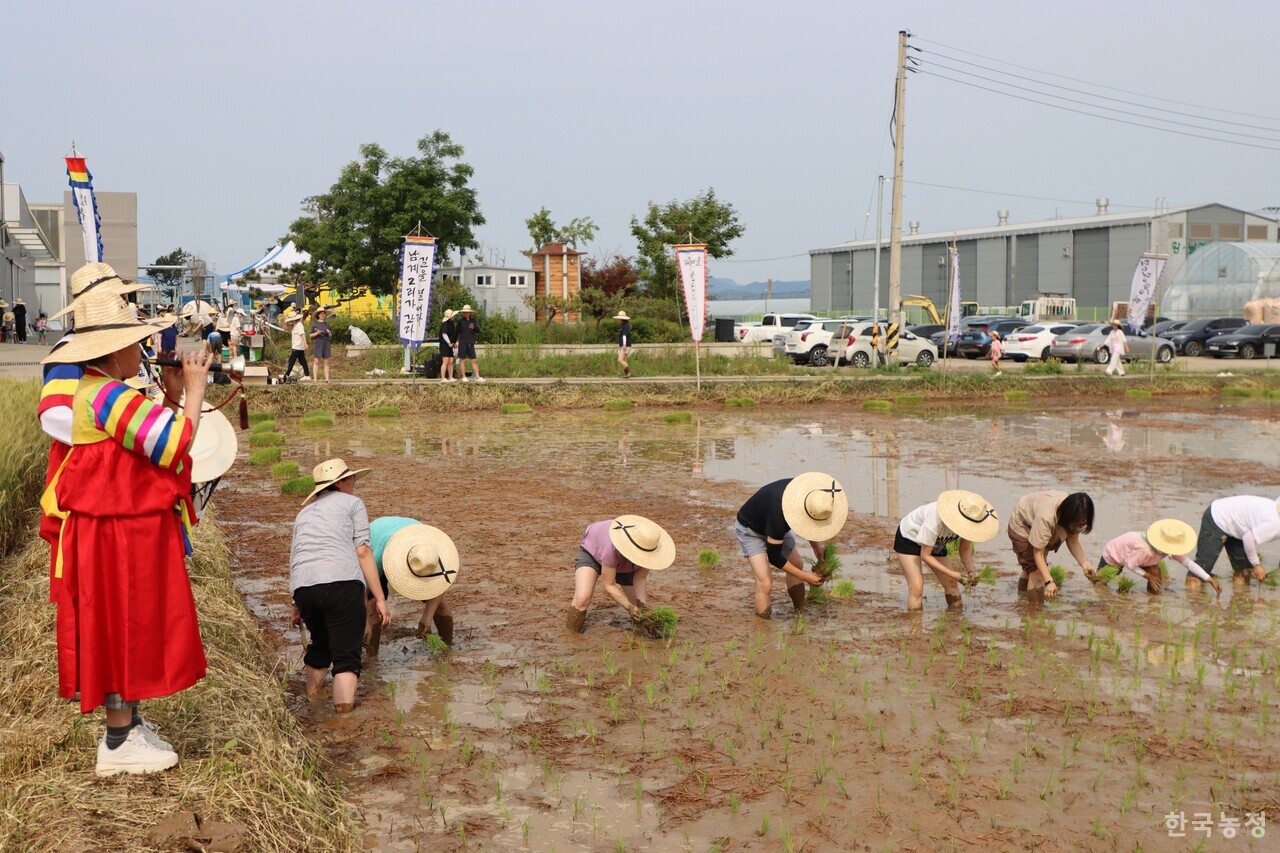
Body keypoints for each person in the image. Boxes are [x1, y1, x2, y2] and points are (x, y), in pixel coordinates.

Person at [40, 294, 212, 777]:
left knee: (126, 620)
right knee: (122, 622)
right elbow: (173, 444)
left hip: (110, 530)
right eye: (135, 342)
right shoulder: (109, 395)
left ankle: (128, 725)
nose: (142, 349)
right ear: (114, 352)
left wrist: (174, 396)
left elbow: (145, 445)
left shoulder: (100, 390)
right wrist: (196, 390)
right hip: (112, 537)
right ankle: (117, 741)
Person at [289, 459, 390, 713]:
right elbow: (363, 552)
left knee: (320, 646)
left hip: (304, 588)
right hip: (342, 583)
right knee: (346, 657)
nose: (353, 484)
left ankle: (313, 706)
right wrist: (379, 598)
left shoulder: (304, 514)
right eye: (350, 479)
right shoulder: (353, 504)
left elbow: (297, 556)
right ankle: (344, 723)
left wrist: (296, 604)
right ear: (338, 483)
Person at [735, 473, 848, 618]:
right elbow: (775, 557)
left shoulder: (812, 497)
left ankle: (800, 613)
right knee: (765, 583)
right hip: (751, 530)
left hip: (773, 524)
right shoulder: (779, 514)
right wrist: (806, 577)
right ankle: (762, 631)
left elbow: (810, 520)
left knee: (796, 564)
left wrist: (816, 546)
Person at [567, 515, 675, 634]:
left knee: (639, 608)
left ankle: (643, 637)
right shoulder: (611, 548)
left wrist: (641, 605)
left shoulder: (647, 547)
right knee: (582, 598)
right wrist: (628, 607)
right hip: (593, 551)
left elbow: (640, 578)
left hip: (624, 562)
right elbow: (609, 585)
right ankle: (571, 636)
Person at [894, 490, 999, 611]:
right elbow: (925, 555)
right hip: (909, 538)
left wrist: (971, 572)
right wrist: (953, 573)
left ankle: (955, 624)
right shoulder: (935, 522)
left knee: (952, 584)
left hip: (937, 542)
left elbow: (964, 549)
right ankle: (916, 627)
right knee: (917, 588)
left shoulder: (970, 521)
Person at [369, 517, 459, 650]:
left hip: (416, 539)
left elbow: (441, 585)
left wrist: (426, 618)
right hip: (376, 540)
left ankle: (447, 650)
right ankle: (372, 659)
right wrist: (366, 619)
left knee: (440, 604)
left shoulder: (432, 554)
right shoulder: (381, 554)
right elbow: (364, 587)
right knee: (371, 604)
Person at [1007, 490, 1095, 599]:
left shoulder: (1079, 516)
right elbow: (1038, 553)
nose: (1080, 525)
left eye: (1082, 523)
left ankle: (1022, 600)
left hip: (1039, 522)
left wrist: (1084, 564)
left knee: (1029, 568)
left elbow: (1073, 540)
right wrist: (1049, 582)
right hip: (1022, 524)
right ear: (1068, 516)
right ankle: (1034, 611)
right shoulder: (1046, 516)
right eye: (1077, 523)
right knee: (1036, 571)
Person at [1097, 520, 1221, 596]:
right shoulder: (1145, 549)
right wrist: (1148, 576)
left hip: (1136, 556)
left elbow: (1188, 563)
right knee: (1099, 585)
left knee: (1156, 572)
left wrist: (1210, 579)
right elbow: (1129, 564)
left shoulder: (1167, 548)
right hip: (1114, 555)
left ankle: (1152, 599)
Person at [1191, 495, 1280, 587]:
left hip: (1239, 526)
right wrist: (1257, 564)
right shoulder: (1275, 524)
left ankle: (1240, 599)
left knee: (1244, 571)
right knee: (1200, 571)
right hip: (1218, 517)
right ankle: (1194, 597)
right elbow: (1248, 539)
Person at [455, 305, 484, 382]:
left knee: (474, 360)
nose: (466, 313)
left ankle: (478, 377)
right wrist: (453, 342)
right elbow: (456, 332)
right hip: (462, 342)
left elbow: (478, 330)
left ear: (470, 313)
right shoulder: (460, 321)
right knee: (463, 360)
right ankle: (464, 377)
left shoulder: (473, 321)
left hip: (471, 342)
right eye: (464, 312)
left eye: (467, 312)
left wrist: (474, 328)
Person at [283, 310, 311, 381]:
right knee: (302, 361)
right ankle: (307, 375)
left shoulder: (299, 325)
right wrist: (287, 329)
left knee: (291, 360)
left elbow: (302, 334)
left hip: (298, 346)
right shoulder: (296, 325)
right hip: (298, 346)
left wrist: (305, 343)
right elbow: (294, 334)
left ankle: (287, 374)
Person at [311, 307, 334, 383]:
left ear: (325, 314)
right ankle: (315, 379)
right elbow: (310, 335)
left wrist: (328, 332)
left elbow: (331, 335)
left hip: (326, 343)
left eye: (323, 313)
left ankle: (327, 379)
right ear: (318, 315)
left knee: (326, 361)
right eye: (320, 314)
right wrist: (317, 333)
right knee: (316, 361)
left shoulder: (327, 324)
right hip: (318, 342)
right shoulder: (314, 324)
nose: (322, 315)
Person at [438, 309, 457, 383]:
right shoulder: (445, 324)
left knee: (451, 361)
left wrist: (453, 343)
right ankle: (443, 378)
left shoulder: (451, 323)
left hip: (450, 344)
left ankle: (451, 377)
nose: (454, 316)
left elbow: (452, 335)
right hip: (444, 345)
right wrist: (449, 342)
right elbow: (444, 334)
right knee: (445, 361)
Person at [615, 310, 633, 378]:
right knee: (624, 360)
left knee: (620, 360)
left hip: (626, 345)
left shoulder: (625, 326)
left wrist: (624, 344)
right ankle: (627, 374)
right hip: (624, 345)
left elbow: (624, 335)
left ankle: (628, 372)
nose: (618, 320)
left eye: (619, 319)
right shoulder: (623, 326)